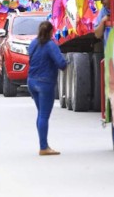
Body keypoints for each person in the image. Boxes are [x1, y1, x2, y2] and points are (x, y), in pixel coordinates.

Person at [27, 21, 67, 156]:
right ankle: (43, 147)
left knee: (40, 114)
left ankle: (43, 144)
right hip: (45, 83)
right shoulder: (50, 45)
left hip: (31, 82)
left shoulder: (33, 43)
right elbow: (61, 63)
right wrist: (67, 62)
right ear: (51, 32)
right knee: (44, 115)